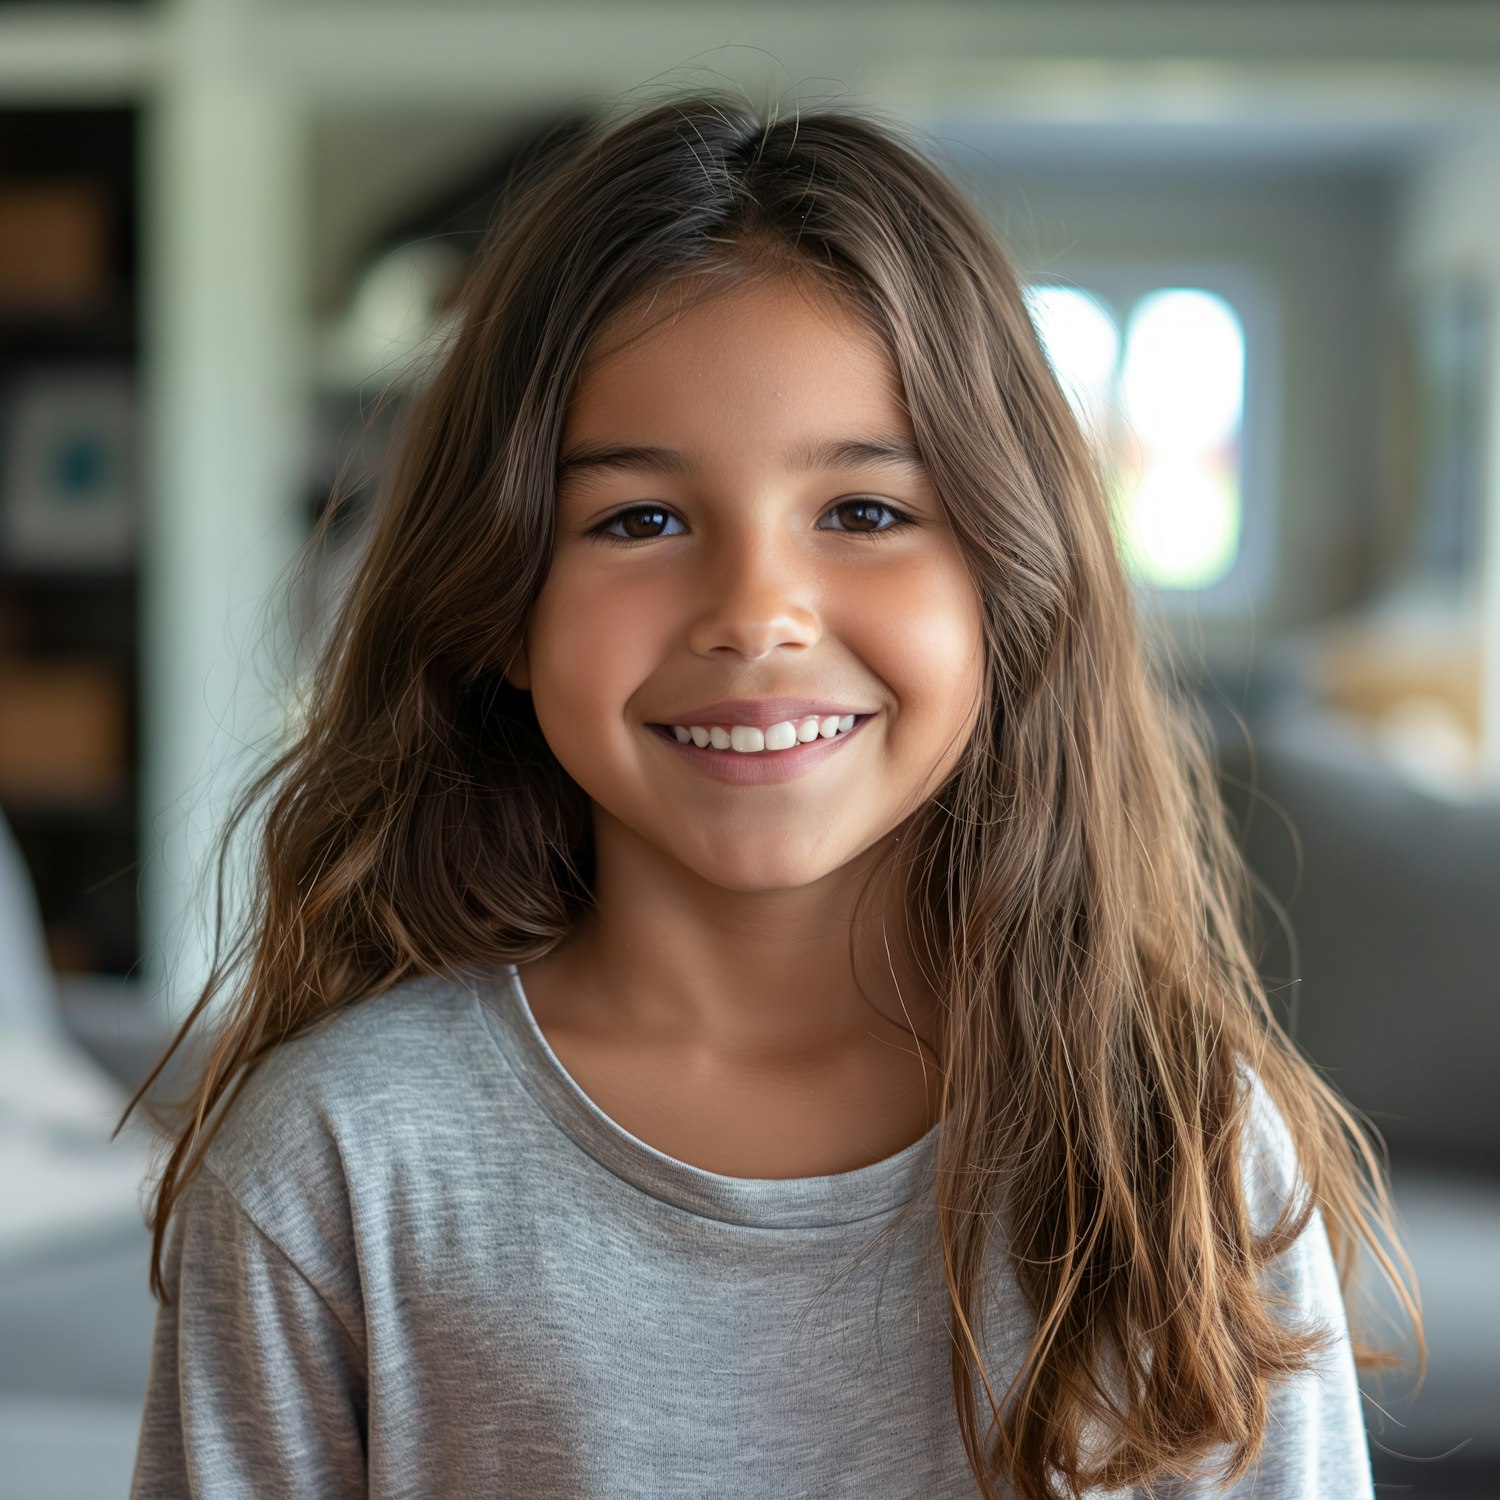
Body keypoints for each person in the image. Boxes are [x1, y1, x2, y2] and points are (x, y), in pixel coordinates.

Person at [123, 91, 1421, 1499]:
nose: (756, 613)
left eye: (864, 513)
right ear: (498, 598)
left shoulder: (1181, 1147)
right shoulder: (336, 1163)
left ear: (1011, 582)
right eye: (640, 520)